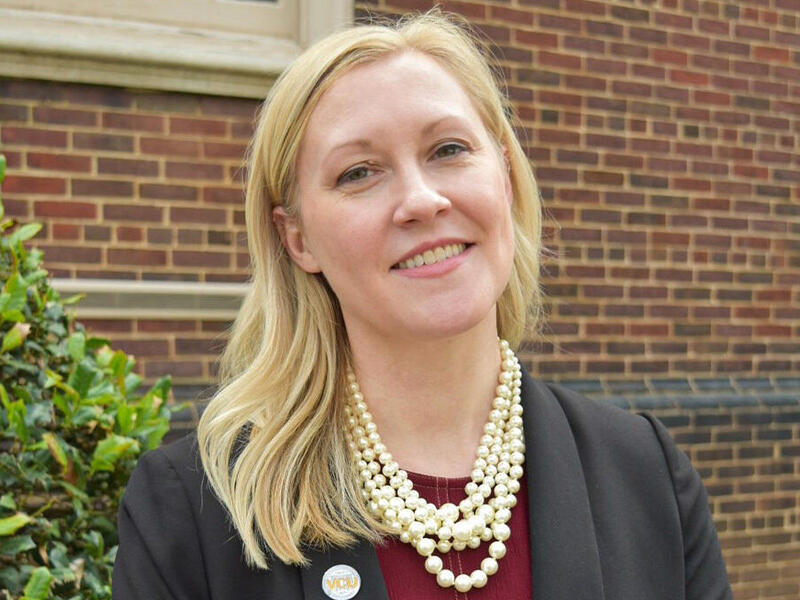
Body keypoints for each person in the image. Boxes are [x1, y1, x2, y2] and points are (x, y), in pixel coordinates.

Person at [112, 10, 732, 600]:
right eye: (358, 172)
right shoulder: (192, 512)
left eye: (448, 150)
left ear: (506, 178)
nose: (421, 199)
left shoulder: (647, 477)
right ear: (297, 239)